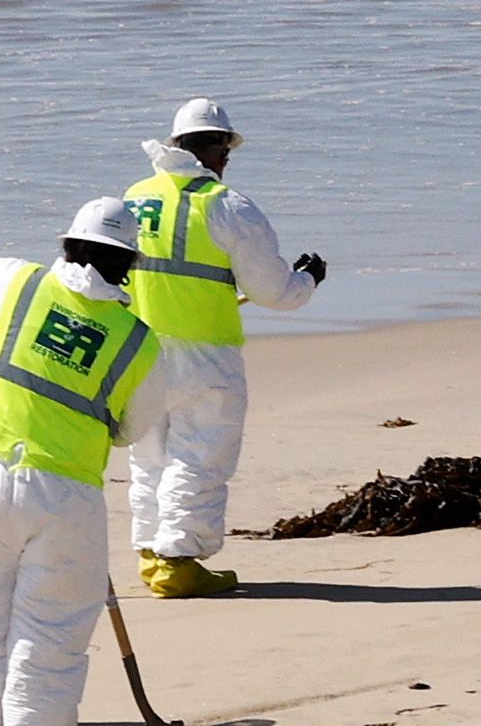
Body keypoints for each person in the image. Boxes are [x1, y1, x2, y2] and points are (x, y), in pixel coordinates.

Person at [0, 197, 172, 726]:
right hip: (63, 487)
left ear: (67, 245)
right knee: (53, 633)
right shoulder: (139, 342)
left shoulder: (13, 282)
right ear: (129, 265)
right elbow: (133, 428)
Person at [105, 99, 323, 601]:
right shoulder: (226, 204)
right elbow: (274, 292)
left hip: (137, 348)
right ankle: (179, 561)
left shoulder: (133, 198)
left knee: (150, 457)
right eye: (224, 148)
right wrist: (308, 278)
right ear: (220, 148)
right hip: (204, 354)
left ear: (176, 144)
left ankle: (152, 554)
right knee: (199, 457)